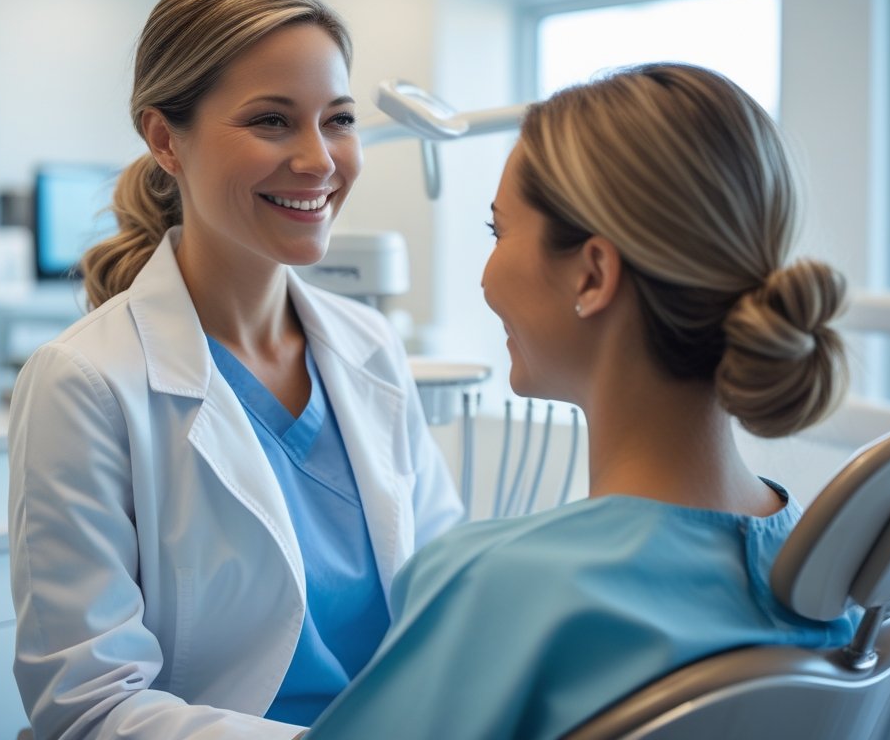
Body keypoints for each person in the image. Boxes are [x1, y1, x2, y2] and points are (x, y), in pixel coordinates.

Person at [304, 63, 861, 740]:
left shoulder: (501, 589)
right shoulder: (821, 587)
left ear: (593, 275)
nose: (485, 277)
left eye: (497, 232)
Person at [6, 0, 462, 740]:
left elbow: (449, 593)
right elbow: (90, 706)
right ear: (164, 140)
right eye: (272, 122)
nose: (320, 160)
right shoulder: (84, 384)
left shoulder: (370, 345)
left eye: (339, 119)